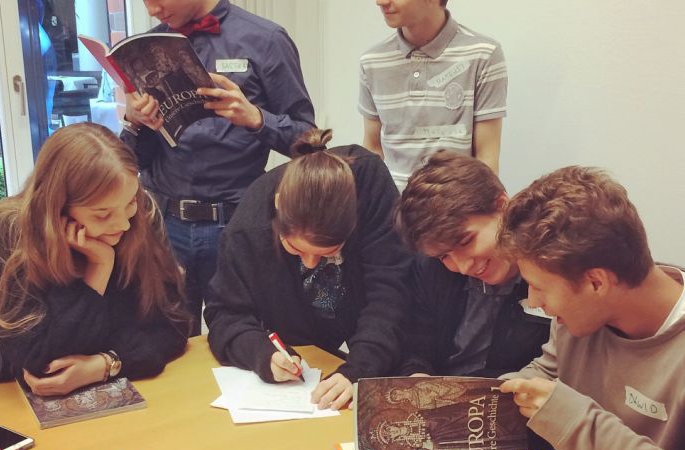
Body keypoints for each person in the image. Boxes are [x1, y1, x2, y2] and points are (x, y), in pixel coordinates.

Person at [497, 166, 685, 450]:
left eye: (538, 288)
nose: (534, 302)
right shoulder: (576, 319)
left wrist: (573, 420)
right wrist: (473, 398)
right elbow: (548, 373)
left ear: (596, 282)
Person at [123, 0, 315, 334]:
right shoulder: (148, 48)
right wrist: (135, 122)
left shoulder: (265, 40)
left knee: (241, 337)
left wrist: (257, 118)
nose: (152, 10)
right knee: (164, 341)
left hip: (237, 223)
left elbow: (310, 143)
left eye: (158, 0)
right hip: (166, 225)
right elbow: (137, 160)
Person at [0, 123, 191, 395]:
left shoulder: (141, 214)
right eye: (102, 214)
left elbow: (173, 327)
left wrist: (105, 364)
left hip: (123, 394)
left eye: (130, 202)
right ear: (58, 207)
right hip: (17, 402)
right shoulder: (10, 231)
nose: (124, 223)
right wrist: (98, 268)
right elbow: (44, 365)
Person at [204, 129, 413, 410]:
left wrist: (360, 368)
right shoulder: (246, 231)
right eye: (296, 250)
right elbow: (225, 314)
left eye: (327, 253)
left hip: (360, 350)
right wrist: (262, 353)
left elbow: (390, 291)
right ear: (278, 207)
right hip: (303, 361)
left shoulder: (369, 186)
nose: (310, 263)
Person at [395, 151, 550, 378]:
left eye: (465, 241)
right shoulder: (430, 268)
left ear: (502, 206)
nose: (464, 267)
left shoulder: (549, 269)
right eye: (444, 256)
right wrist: (417, 375)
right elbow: (416, 343)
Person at [360, 0, 507, 191]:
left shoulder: (483, 55)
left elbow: (487, 160)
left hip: (457, 211)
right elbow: (373, 149)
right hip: (393, 213)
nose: (381, 2)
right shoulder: (373, 62)